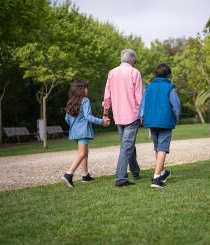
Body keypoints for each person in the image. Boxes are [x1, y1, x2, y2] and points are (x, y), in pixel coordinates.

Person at [102, 49, 143, 187]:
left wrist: (105, 114)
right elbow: (139, 96)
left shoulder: (111, 73)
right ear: (132, 59)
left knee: (127, 144)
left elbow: (107, 96)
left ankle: (135, 171)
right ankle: (120, 178)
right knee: (127, 146)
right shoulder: (135, 72)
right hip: (132, 114)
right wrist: (143, 114)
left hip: (118, 115)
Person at [139, 63, 181, 188]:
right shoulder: (169, 87)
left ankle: (162, 172)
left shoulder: (149, 87)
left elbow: (142, 106)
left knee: (157, 147)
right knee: (162, 147)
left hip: (151, 121)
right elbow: (176, 106)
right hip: (165, 121)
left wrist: (142, 118)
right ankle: (156, 179)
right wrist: (176, 118)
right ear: (169, 76)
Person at [62, 80, 110, 188]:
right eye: (86, 88)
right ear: (82, 89)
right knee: (82, 153)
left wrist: (74, 126)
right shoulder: (85, 100)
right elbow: (88, 116)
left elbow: (66, 118)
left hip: (74, 131)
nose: (87, 90)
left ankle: (85, 175)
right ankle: (68, 174)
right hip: (83, 131)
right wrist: (102, 121)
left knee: (84, 152)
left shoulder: (71, 101)